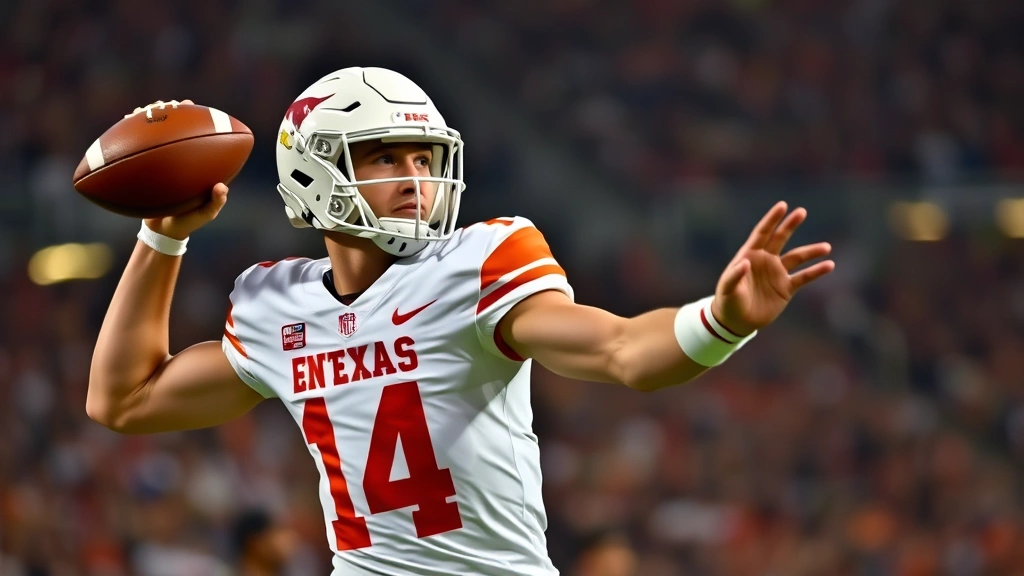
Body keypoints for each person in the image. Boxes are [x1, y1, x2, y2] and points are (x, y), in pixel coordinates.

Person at [86, 67, 835, 575]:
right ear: (316, 172)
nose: (416, 181)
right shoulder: (278, 306)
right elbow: (121, 400)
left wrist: (722, 318)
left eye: (423, 157)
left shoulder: (477, 265)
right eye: (385, 158)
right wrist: (162, 236)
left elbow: (621, 350)